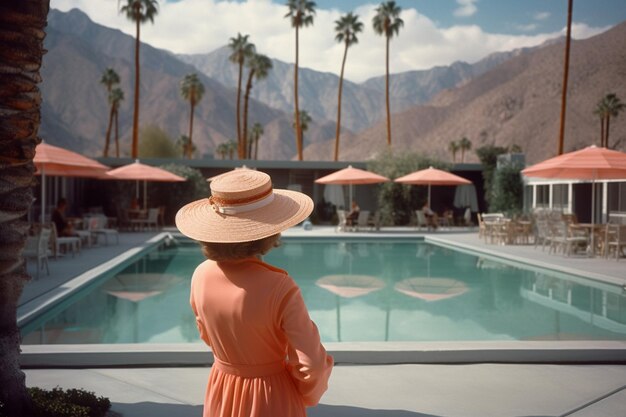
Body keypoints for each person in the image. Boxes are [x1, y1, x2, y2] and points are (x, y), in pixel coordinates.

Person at [175, 170, 333, 417]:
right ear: (270, 230)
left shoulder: (201, 275)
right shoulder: (280, 286)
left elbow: (206, 334)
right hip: (273, 395)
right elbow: (311, 364)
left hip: (222, 389)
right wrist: (306, 394)